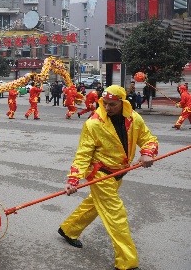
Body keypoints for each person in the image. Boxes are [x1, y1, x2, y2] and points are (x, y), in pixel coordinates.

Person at [58, 85, 158, 270]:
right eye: (105, 103)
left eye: (112, 104)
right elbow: (83, 154)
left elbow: (148, 139)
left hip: (119, 172)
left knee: (95, 204)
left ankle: (68, 229)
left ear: (122, 102)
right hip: (101, 174)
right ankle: (126, 263)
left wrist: (147, 153)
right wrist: (73, 180)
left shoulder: (133, 119)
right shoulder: (94, 123)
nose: (107, 107)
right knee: (116, 215)